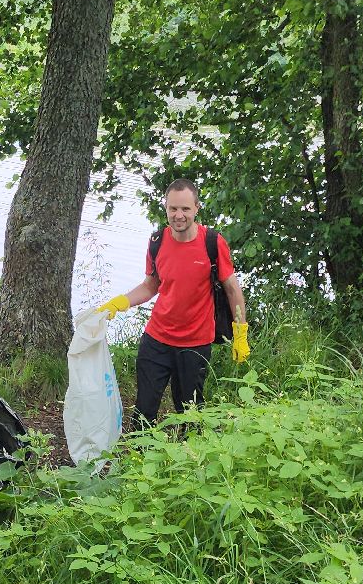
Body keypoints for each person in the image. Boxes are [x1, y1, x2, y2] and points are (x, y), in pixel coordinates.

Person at [95, 179, 249, 426]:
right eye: (173, 209)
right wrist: (119, 302)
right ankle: (140, 461)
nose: (179, 215)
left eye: (185, 209)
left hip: (195, 345)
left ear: (197, 208)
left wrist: (240, 332)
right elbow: (150, 285)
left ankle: (189, 462)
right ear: (166, 208)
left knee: (190, 415)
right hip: (156, 341)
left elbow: (232, 289)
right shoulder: (157, 241)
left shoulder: (212, 242)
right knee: (143, 414)